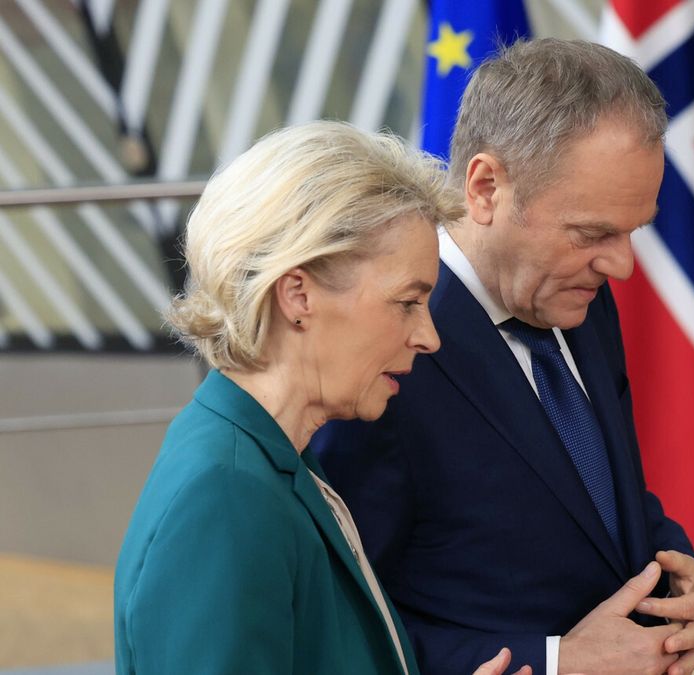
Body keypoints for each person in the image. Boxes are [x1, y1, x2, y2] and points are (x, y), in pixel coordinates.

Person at [311, 40, 694, 675]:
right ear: (486, 188)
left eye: (632, 232)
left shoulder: (577, 298)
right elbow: (337, 627)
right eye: (592, 234)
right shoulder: (383, 353)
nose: (620, 265)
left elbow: (609, 509)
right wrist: (556, 663)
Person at [113, 121, 536, 675]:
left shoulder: (265, 458)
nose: (429, 337)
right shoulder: (227, 497)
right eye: (408, 302)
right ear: (298, 295)